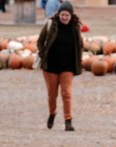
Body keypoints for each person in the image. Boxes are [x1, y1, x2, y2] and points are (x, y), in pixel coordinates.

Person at [36, 1, 82, 131]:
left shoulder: (75, 28)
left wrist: (78, 61)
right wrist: (42, 54)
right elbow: (40, 41)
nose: (64, 17)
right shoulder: (51, 24)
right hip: (50, 66)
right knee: (52, 94)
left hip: (68, 66)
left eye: (67, 15)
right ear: (59, 14)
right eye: (62, 15)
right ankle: (52, 113)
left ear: (71, 15)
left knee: (66, 93)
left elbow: (79, 45)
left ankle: (68, 120)